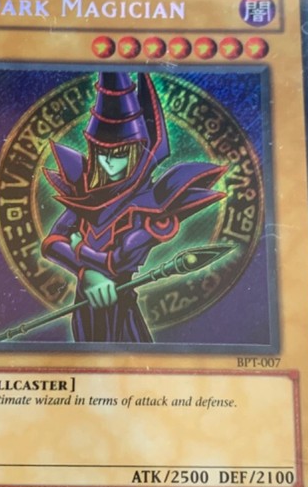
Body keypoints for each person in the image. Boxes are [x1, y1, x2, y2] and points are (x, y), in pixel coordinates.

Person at [41, 71, 225, 342]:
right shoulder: (88, 195)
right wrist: (86, 273)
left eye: (120, 155)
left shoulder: (153, 205)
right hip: (86, 298)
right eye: (102, 154)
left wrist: (80, 249)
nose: (109, 164)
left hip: (118, 301)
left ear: (137, 151)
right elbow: (52, 242)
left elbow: (118, 262)